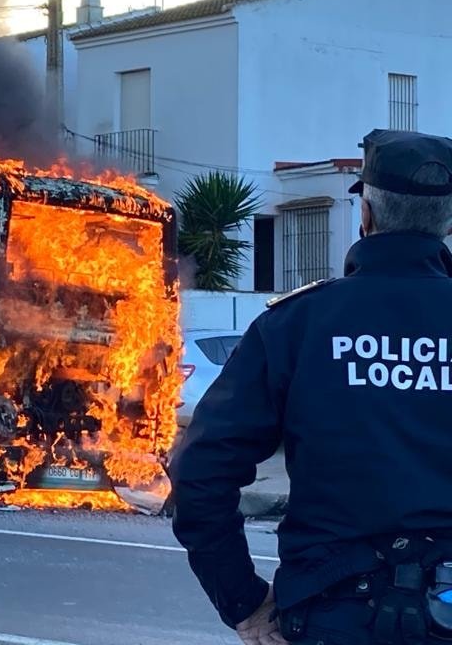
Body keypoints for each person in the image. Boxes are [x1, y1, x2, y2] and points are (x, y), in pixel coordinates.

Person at [170, 128, 452, 645]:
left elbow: (200, 471)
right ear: (448, 221)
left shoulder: (298, 324)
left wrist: (244, 601)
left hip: (331, 614)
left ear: (365, 215)